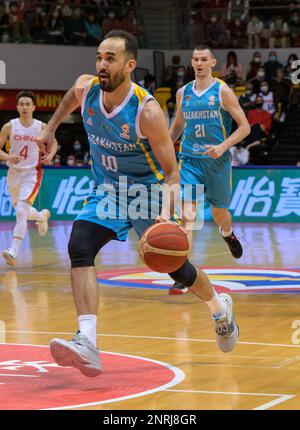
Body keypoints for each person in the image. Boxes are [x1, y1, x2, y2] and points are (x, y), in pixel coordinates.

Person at [36, 31, 239, 377]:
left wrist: (165, 210)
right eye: (99, 57)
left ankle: (220, 309)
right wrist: (51, 129)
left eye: (110, 58)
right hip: (107, 192)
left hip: (147, 192)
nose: (102, 64)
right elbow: (71, 96)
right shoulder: (86, 89)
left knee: (178, 269)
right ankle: (87, 340)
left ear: (129, 65)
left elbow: (173, 172)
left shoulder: (146, 111)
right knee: (79, 245)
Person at [167, 45, 250, 295]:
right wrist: (163, 148)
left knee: (219, 214)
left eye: (204, 59)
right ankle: (183, 273)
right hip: (190, 160)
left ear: (213, 62)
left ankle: (228, 234)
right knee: (187, 217)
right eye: (195, 59)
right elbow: (177, 125)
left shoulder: (222, 91)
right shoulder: (183, 93)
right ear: (191, 63)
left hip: (217, 162)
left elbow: (244, 127)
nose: (199, 63)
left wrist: (223, 146)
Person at [0, 91, 57, 266]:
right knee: (22, 210)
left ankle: (13, 250)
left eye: (27, 104)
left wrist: (50, 156)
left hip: (32, 173)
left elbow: (54, 142)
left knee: (20, 212)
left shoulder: (41, 127)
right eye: (21, 104)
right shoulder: (9, 126)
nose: (24, 107)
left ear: (33, 107)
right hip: (13, 174)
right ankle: (41, 217)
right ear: (17, 107)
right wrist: (9, 158)